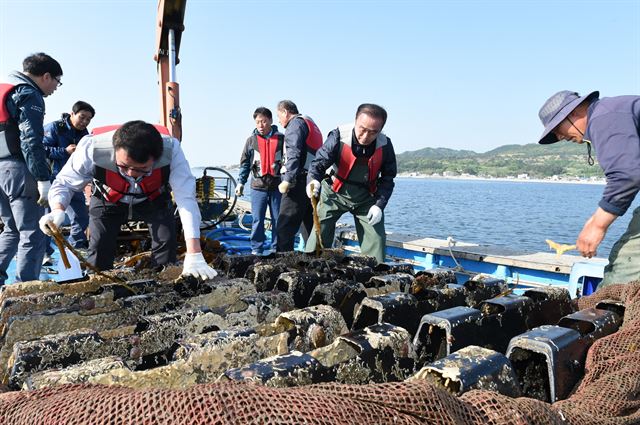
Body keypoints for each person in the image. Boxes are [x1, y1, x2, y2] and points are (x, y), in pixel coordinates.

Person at [39, 120, 217, 280]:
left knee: (166, 246)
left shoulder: (171, 150)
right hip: (108, 198)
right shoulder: (92, 147)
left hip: (153, 199)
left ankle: (162, 286)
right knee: (99, 248)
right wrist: (57, 210)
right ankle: (101, 289)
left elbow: (186, 198)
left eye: (142, 169)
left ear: (156, 159)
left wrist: (194, 253)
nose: (131, 174)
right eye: (124, 167)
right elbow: (65, 184)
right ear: (115, 150)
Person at [537, 90, 640, 288]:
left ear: (574, 112)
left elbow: (627, 175)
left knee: (624, 268)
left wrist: (597, 226)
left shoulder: (605, 117)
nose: (559, 136)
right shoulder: (614, 111)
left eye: (557, 128)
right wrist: (593, 220)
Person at [305, 104, 396, 264]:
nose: (366, 136)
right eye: (362, 128)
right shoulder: (338, 137)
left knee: (376, 238)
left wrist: (379, 205)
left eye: (373, 132)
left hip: (366, 197)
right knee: (319, 230)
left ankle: (374, 276)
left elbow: (388, 178)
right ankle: (311, 266)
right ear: (355, 121)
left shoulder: (385, 145)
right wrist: (313, 180)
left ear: (380, 130)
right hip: (334, 193)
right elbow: (318, 164)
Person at [0, 53, 62, 285]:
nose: (56, 87)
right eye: (57, 81)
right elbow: (31, 140)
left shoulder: (4, 91)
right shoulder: (28, 93)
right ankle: (25, 288)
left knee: (10, 229)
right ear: (46, 76)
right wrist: (42, 178)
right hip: (17, 170)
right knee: (31, 232)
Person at [42, 101, 95, 262]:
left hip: (75, 181)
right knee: (51, 218)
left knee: (81, 216)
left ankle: (76, 249)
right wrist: (64, 151)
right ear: (72, 114)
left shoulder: (85, 135)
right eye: (82, 117)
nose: (84, 122)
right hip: (53, 179)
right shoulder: (54, 128)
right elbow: (40, 149)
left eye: (88, 119)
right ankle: (45, 253)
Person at [275, 100, 323, 252]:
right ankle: (314, 261)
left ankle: (282, 264)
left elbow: (293, 152)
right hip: (312, 182)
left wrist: (288, 179)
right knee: (309, 225)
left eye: (278, 116)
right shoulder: (310, 123)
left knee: (285, 226)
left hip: (297, 182)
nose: (279, 120)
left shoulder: (295, 124)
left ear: (285, 112)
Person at [236, 107, 284, 255]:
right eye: (258, 122)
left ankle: (277, 247)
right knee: (257, 219)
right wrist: (241, 182)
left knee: (278, 219)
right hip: (257, 187)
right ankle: (257, 248)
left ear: (270, 121)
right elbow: (245, 164)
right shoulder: (251, 141)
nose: (261, 125)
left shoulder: (282, 139)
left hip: (277, 187)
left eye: (263, 121)